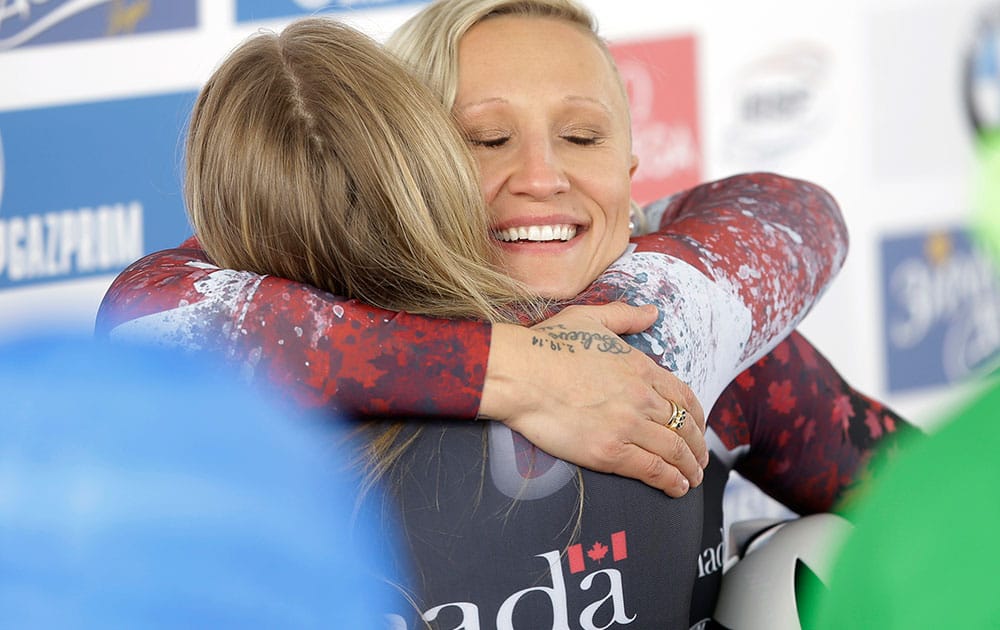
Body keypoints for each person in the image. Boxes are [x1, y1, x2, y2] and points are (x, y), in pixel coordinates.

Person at [92, 11, 896, 628]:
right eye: (486, 139)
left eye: (581, 136)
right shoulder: (277, 350)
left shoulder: (711, 334)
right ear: (405, 165)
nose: (541, 177)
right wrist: (520, 368)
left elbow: (940, 507)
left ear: (629, 167)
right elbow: (151, 314)